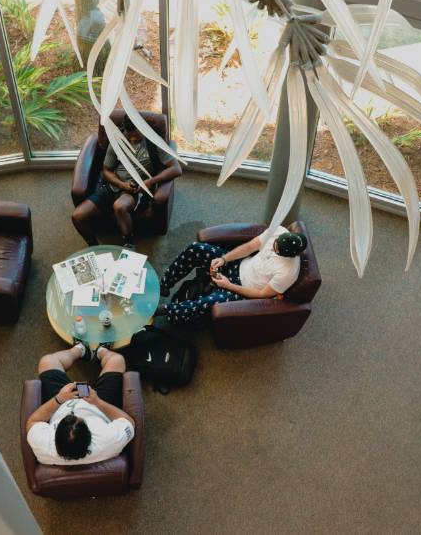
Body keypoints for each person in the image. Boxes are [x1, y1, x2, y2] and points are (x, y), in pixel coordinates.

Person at [156, 226, 308, 326]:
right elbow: (249, 247)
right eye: (274, 244)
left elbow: (262, 295)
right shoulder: (278, 231)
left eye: (276, 250)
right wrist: (224, 259)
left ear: (288, 255)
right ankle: (165, 284)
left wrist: (228, 285)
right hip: (239, 265)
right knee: (196, 248)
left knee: (206, 303)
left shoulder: (288, 272)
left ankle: (166, 310)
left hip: (242, 291)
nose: (273, 248)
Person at [72, 116, 182, 249]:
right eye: (129, 136)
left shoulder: (154, 142)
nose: (132, 140)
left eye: (136, 136)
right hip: (113, 186)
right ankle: (95, 247)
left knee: (119, 206)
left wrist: (150, 182)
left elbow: (176, 169)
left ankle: (129, 244)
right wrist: (120, 184)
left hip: (137, 190)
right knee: (77, 216)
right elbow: (107, 170)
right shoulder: (118, 141)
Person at [25, 342, 135, 466]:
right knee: (117, 360)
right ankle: (101, 350)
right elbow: (129, 421)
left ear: (55, 437)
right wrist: (97, 402)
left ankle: (81, 348)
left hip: (61, 405)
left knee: (47, 361)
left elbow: (32, 421)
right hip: (99, 407)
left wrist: (59, 399)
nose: (75, 414)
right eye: (80, 419)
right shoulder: (109, 439)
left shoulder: (43, 443)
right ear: (90, 437)